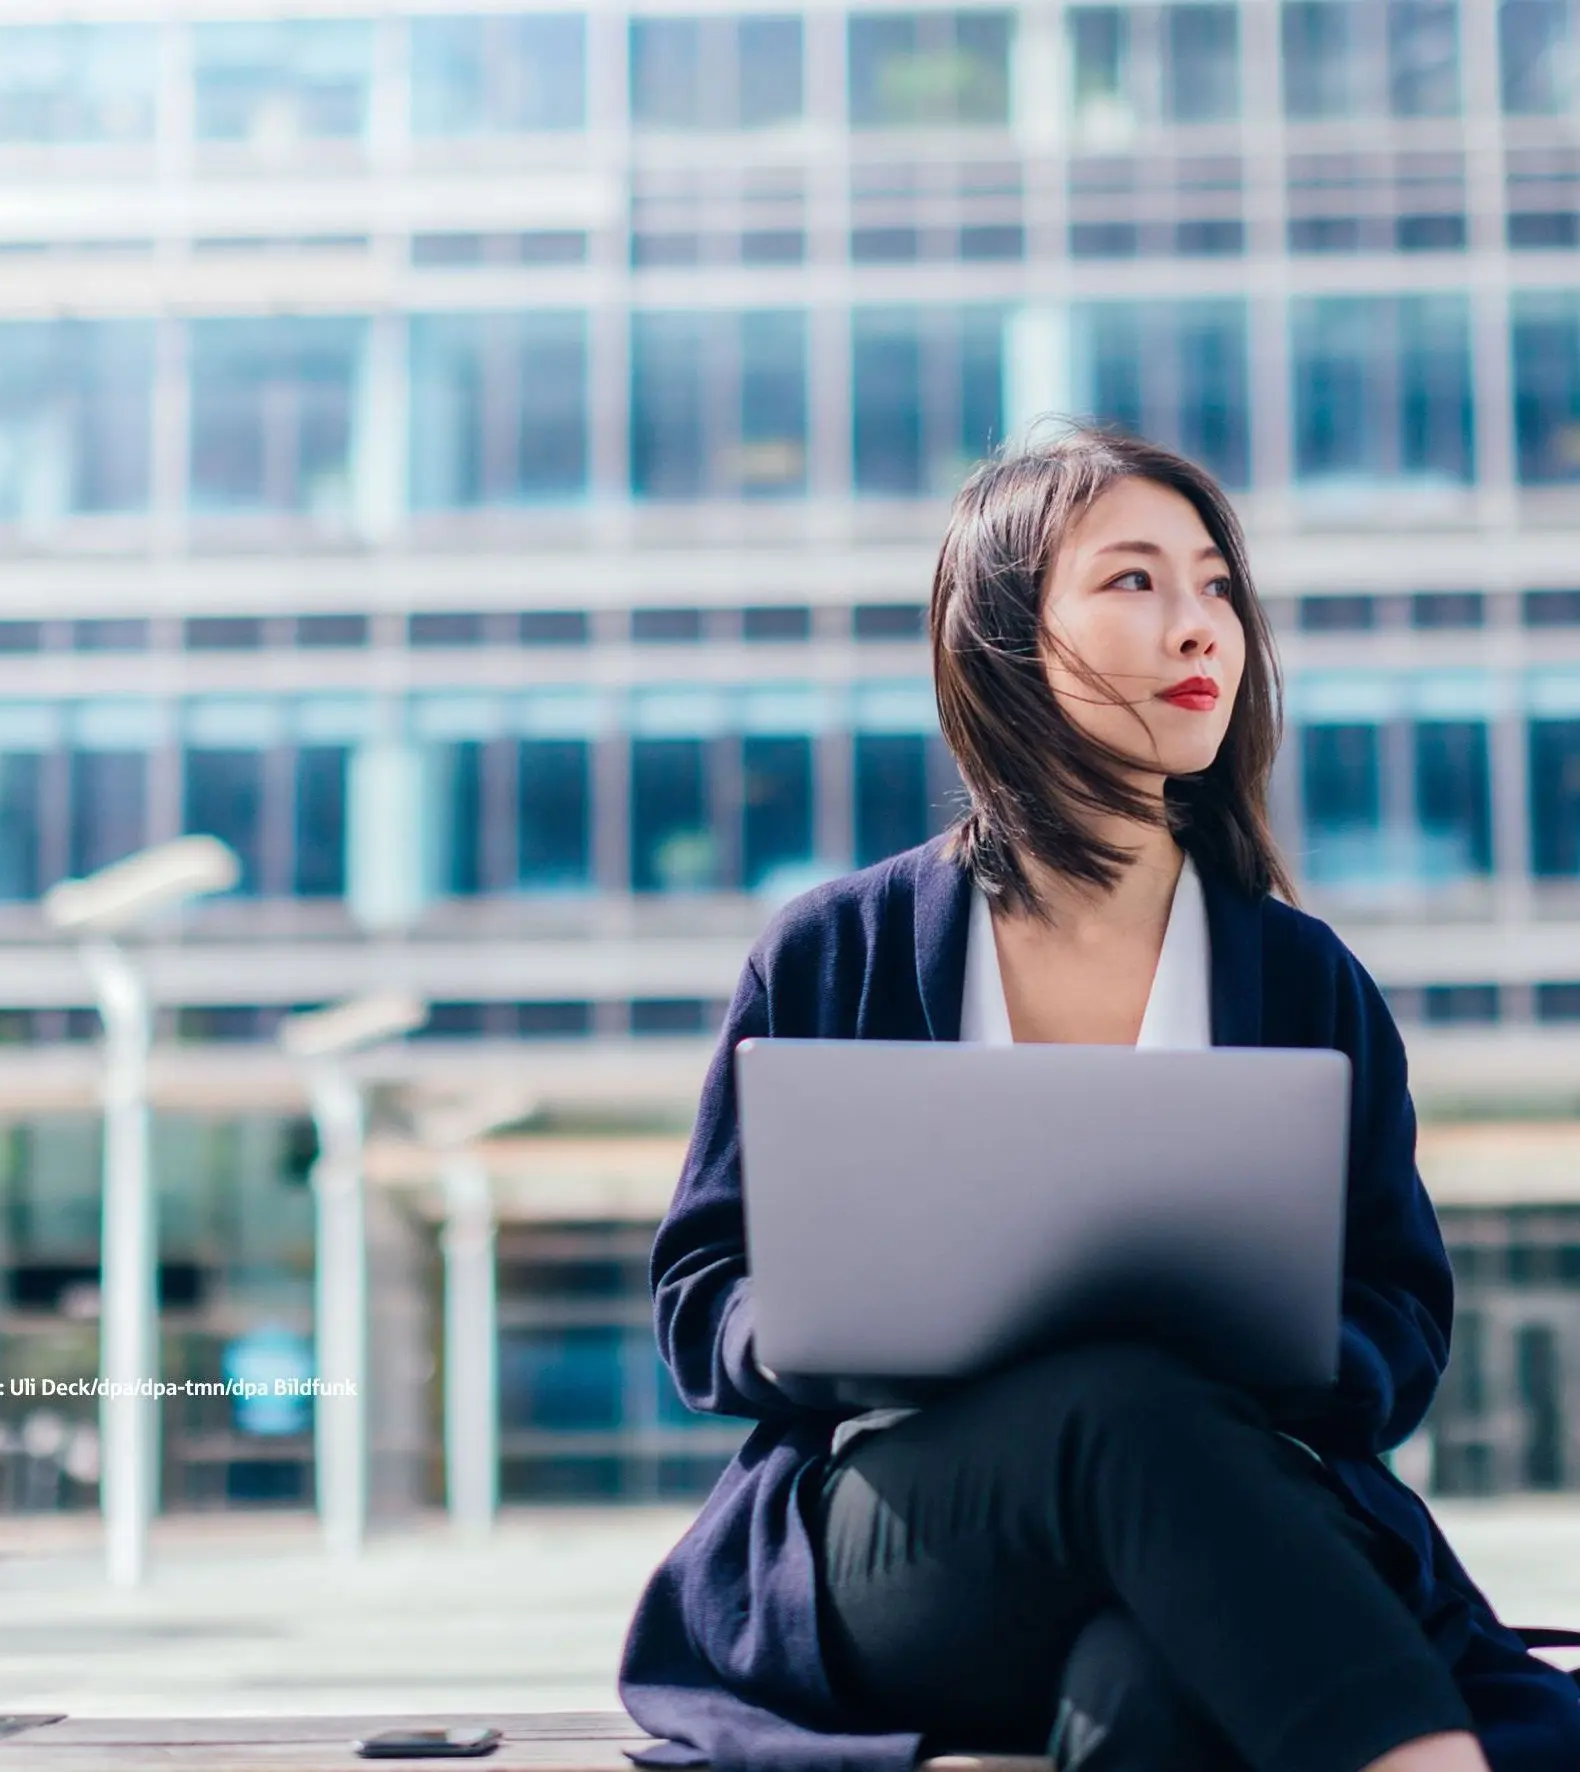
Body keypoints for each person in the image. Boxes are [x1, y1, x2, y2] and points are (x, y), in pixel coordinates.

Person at [617, 424, 1580, 1772]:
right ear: (1007, 636)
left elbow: (1400, 1313)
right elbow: (700, 1291)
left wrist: (1298, 1355)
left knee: (1145, 1681)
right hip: (918, 1540)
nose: (1199, 628)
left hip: (1223, 1506)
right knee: (1117, 1405)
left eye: (1216, 587)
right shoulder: (836, 950)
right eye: (1135, 580)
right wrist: (830, 1317)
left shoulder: (1304, 978)